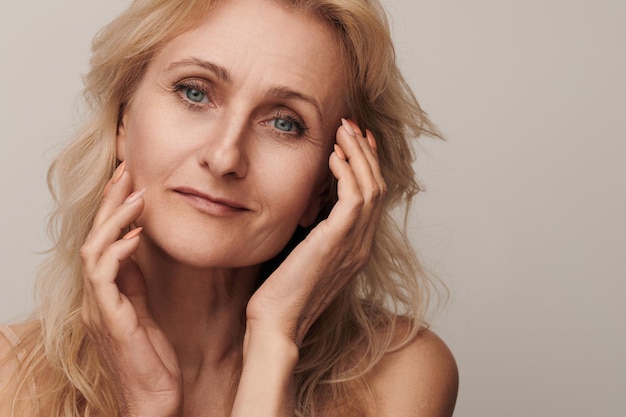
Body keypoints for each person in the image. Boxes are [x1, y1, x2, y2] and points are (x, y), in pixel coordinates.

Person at [0, 0, 458, 415]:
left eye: (284, 123)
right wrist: (145, 406)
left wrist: (274, 341)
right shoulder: (9, 380)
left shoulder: (399, 375)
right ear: (123, 121)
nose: (224, 158)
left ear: (327, 185)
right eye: (194, 92)